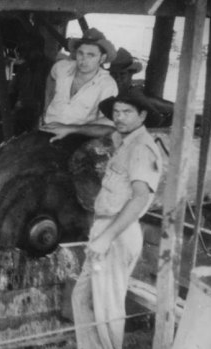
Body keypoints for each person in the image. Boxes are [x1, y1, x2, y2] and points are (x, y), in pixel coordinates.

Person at [64, 91, 163, 349]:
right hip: (105, 229)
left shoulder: (141, 148)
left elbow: (140, 199)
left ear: (142, 115)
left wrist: (106, 237)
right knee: (82, 298)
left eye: (127, 112)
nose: (119, 117)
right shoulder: (124, 143)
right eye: (116, 112)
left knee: (106, 310)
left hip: (118, 233)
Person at [43, 28, 118, 126]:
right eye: (80, 53)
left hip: (79, 136)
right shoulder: (61, 67)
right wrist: (46, 106)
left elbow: (106, 121)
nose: (84, 60)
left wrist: (72, 131)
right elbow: (51, 78)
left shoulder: (107, 85)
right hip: (48, 127)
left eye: (91, 55)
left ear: (102, 58)